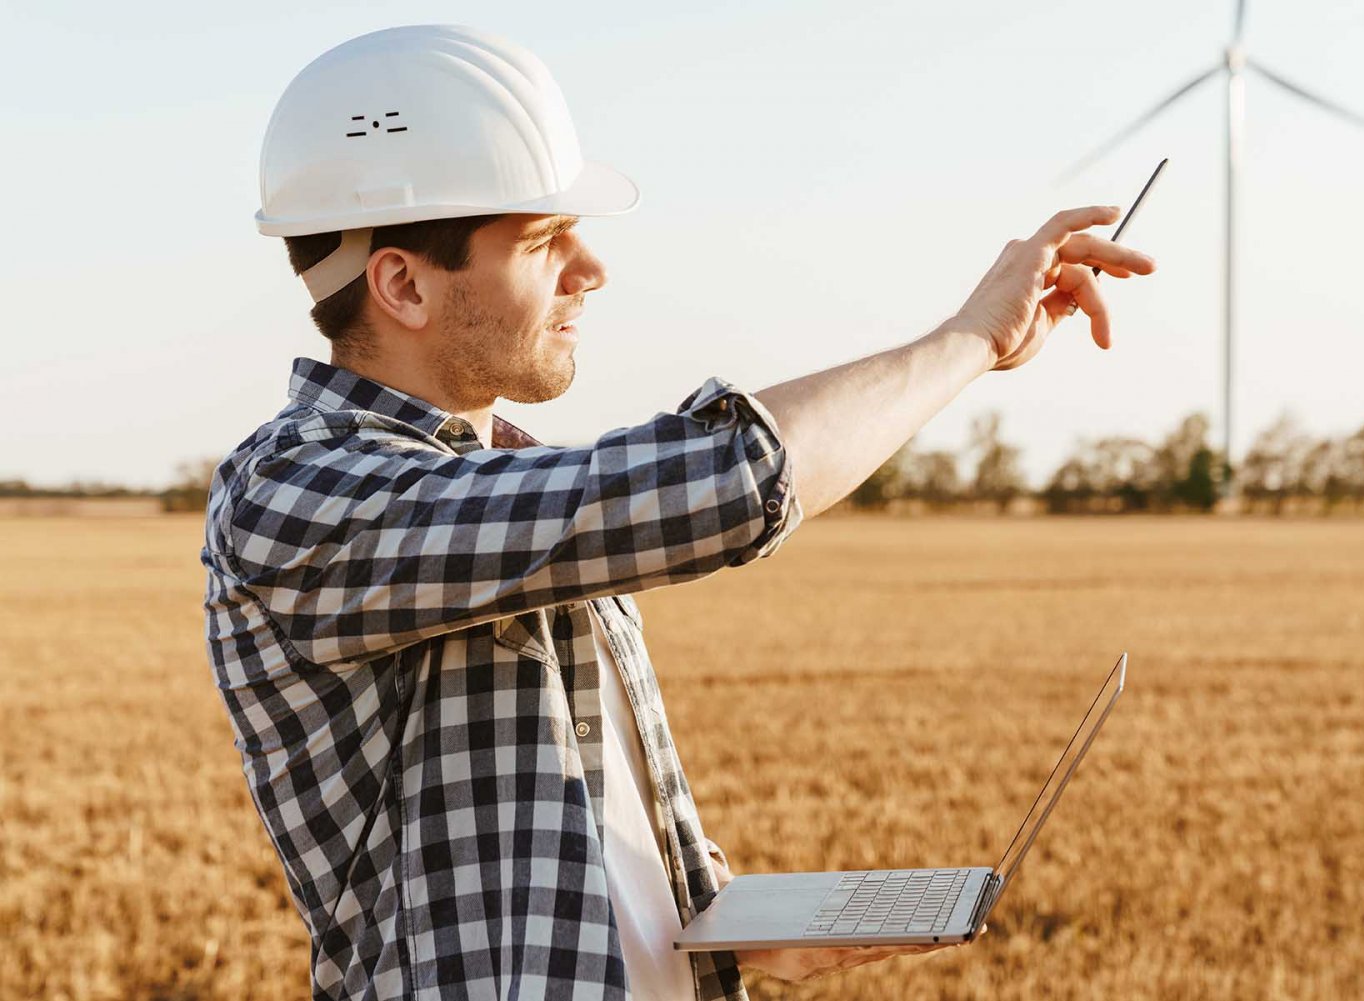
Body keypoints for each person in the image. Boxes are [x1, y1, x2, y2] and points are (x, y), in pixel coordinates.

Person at [201, 24, 1155, 1001]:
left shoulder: (514, 483)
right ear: (402, 281)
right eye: (542, 240)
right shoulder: (298, 497)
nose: (592, 269)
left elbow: (555, 824)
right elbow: (731, 477)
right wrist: (970, 340)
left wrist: (718, 917)